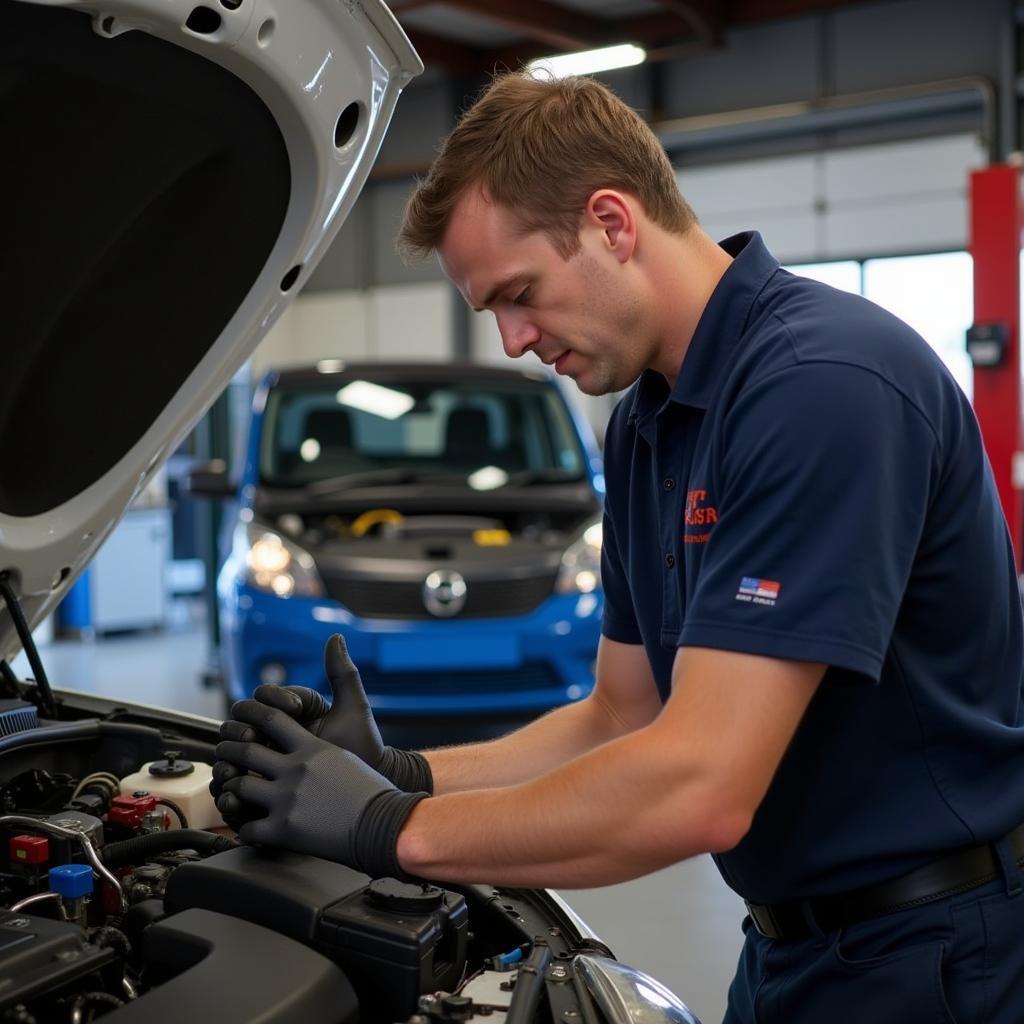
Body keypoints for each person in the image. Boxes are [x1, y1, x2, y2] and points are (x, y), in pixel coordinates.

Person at [212, 72, 1024, 1023]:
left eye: (521, 295)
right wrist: (406, 774)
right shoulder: (646, 425)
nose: (514, 340)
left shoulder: (822, 385)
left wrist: (388, 829)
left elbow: (699, 786)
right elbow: (620, 715)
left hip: (935, 955)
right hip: (791, 949)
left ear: (611, 222)